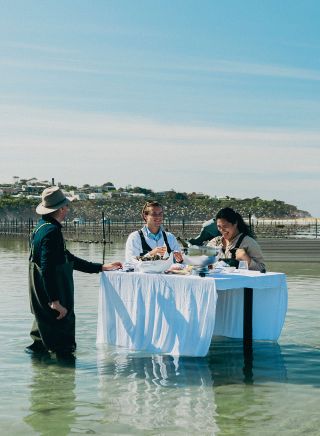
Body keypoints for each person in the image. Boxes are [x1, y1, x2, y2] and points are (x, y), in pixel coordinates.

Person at [26, 186, 122, 356]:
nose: (67, 210)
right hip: (53, 295)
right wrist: (55, 301)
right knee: (63, 346)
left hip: (40, 295)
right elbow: (47, 269)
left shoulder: (40, 227)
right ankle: (64, 379)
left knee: (41, 342)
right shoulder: (52, 232)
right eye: (66, 207)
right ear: (61, 208)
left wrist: (100, 267)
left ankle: (43, 378)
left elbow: (66, 258)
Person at [207, 207, 266, 272]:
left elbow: (262, 269)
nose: (221, 230)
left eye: (225, 226)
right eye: (219, 226)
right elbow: (202, 264)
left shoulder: (249, 243)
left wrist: (246, 259)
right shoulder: (214, 242)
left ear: (235, 223)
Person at [125, 201, 183, 265]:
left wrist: (179, 259)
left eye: (160, 214)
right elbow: (130, 262)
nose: (158, 217)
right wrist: (151, 254)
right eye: (154, 214)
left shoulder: (170, 237)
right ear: (145, 216)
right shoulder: (135, 237)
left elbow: (179, 263)